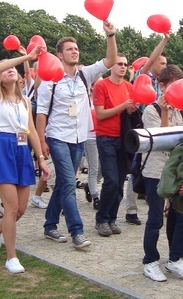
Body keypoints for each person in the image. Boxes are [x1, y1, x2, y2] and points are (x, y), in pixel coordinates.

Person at [35, 21, 118, 245]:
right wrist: (41, 141)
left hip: (79, 137)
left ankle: (50, 225)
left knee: (64, 183)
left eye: (76, 48)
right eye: (70, 49)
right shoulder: (49, 81)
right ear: (59, 55)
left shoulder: (85, 75)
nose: (75, 51)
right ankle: (76, 231)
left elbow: (110, 61)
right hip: (57, 136)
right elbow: (41, 114)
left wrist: (110, 36)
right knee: (69, 183)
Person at [0, 46, 51, 273]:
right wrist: (27, 57)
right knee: (11, 207)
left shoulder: (24, 101)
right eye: (7, 69)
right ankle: (11, 257)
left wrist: (40, 158)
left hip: (22, 149)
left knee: (20, 210)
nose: (9, 71)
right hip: (1, 147)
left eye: (13, 69)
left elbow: (31, 130)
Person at [140, 65, 183, 282]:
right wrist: (165, 111)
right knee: (155, 218)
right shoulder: (151, 110)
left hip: (178, 172)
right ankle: (150, 260)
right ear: (162, 86)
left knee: (181, 216)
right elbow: (162, 142)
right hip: (156, 170)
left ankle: (176, 258)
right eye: (174, 85)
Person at [93, 53, 137, 236]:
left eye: (125, 64)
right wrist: (122, 107)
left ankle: (111, 218)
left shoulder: (129, 87)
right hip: (106, 137)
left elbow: (132, 112)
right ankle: (101, 219)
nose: (123, 67)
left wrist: (131, 109)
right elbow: (100, 114)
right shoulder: (101, 85)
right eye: (119, 63)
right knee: (110, 179)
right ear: (111, 66)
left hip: (123, 138)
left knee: (119, 181)